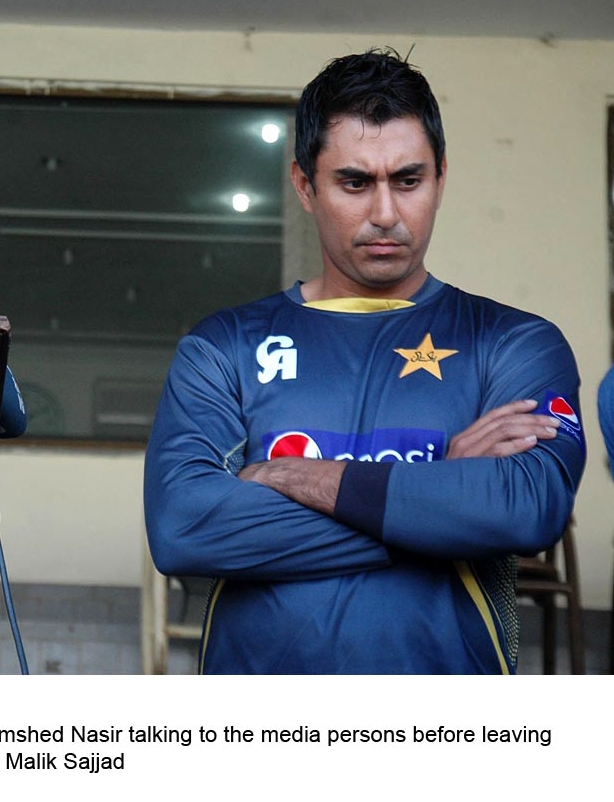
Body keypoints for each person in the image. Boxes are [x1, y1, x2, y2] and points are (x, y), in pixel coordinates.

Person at [144, 49, 584, 674]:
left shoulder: (514, 343)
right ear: (304, 184)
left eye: (408, 180)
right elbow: (185, 529)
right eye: (355, 182)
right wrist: (438, 492)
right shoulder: (225, 348)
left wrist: (292, 477)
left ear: (440, 177)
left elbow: (525, 508)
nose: (385, 213)